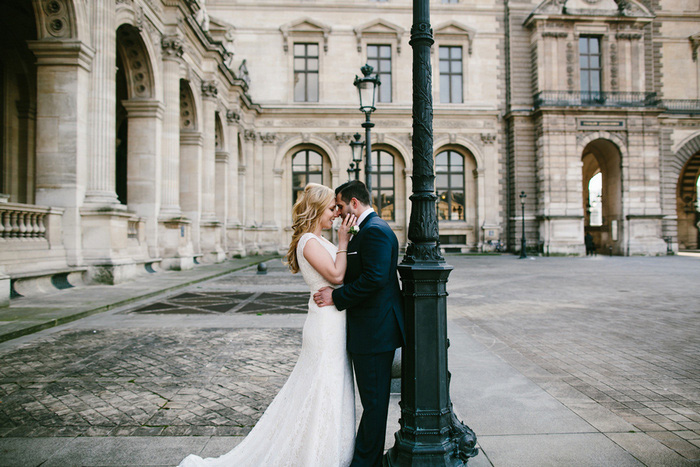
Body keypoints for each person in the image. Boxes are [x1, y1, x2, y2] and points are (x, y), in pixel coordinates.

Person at [179, 183, 358, 467]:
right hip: (324, 326)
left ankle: (327, 449)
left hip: (333, 322)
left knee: (329, 387)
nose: (336, 213)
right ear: (316, 210)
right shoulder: (308, 242)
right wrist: (344, 242)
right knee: (320, 387)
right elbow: (336, 276)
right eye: (331, 208)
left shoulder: (318, 240)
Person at [314, 180, 405, 467]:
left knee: (375, 403)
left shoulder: (375, 231)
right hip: (371, 329)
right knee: (373, 402)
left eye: (340, 205)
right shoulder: (367, 229)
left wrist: (336, 296)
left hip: (376, 331)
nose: (338, 212)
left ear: (355, 203)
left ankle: (365, 463)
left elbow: (375, 279)